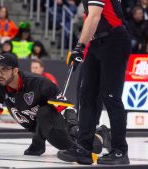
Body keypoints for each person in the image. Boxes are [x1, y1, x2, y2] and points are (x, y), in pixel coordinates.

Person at [0, 53, 110, 158]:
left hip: (56, 122)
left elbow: (65, 106)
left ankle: (38, 144)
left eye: (4, 69)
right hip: (42, 129)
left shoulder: (40, 83)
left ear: (15, 71)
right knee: (69, 146)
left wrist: (73, 125)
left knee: (45, 112)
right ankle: (100, 132)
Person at [57, 0, 131, 165]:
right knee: (87, 95)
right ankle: (84, 148)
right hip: (97, 41)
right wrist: (84, 47)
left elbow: (95, 16)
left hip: (114, 40)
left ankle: (120, 151)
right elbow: (91, 17)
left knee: (111, 97)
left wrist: (79, 46)